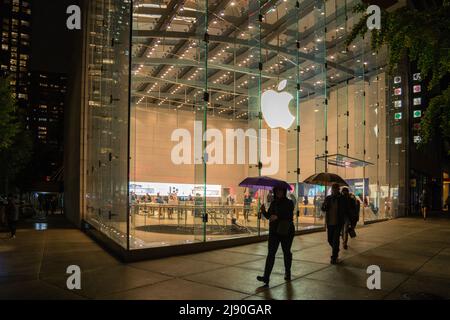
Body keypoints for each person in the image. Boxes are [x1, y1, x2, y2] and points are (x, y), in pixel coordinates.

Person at [257, 186, 295, 286]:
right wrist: (263, 211)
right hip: (274, 231)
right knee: (271, 254)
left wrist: (277, 216)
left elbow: (289, 215)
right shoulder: (273, 203)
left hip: (286, 231)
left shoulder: (289, 202)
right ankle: (266, 277)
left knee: (286, 252)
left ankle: (288, 271)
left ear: (284, 191)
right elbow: (270, 216)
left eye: (280, 190)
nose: (278, 192)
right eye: (277, 190)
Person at [321, 183, 349, 264]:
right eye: (333, 189)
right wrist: (325, 206)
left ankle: (334, 257)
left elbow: (346, 209)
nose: (334, 190)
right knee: (330, 240)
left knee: (335, 240)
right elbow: (323, 208)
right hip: (330, 222)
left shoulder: (342, 199)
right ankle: (336, 249)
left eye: (336, 189)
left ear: (338, 190)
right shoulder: (328, 198)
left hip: (338, 223)